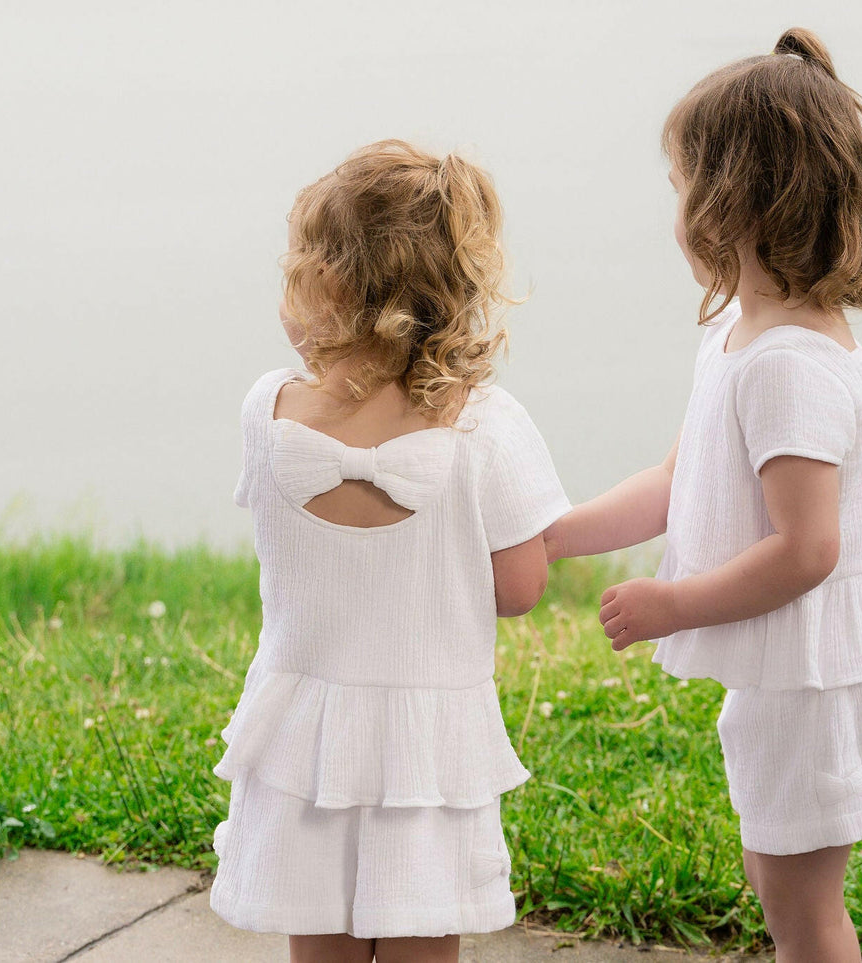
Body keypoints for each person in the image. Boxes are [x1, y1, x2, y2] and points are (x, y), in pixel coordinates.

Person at [544, 29, 862, 963]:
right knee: (778, 882)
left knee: (801, 905)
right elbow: (678, 480)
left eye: (685, 186)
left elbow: (807, 548)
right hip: (785, 675)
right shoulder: (740, 331)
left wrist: (672, 603)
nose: (677, 211)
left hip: (812, 677)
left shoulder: (785, 368)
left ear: (734, 205)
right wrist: (563, 534)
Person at [210, 139, 569, 963]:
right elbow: (519, 586)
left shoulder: (266, 414)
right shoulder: (487, 425)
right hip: (426, 750)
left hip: (303, 737)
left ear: (328, 287)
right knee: (421, 941)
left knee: (320, 943)